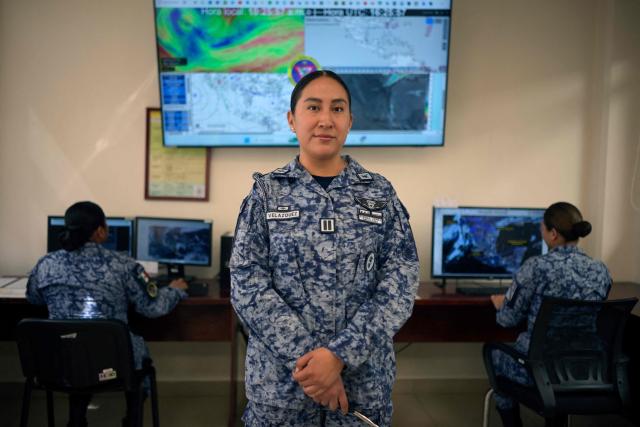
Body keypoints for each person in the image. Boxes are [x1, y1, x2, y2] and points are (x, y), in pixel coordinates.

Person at [230, 70, 420, 426]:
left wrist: (339, 357)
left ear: (350, 121)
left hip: (360, 388)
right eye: (313, 107)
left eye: (337, 109)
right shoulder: (266, 194)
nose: (325, 120)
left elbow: (400, 283)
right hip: (281, 391)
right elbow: (246, 285)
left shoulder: (379, 194)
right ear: (292, 119)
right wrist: (312, 366)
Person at [26, 201, 188, 427]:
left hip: (60, 361)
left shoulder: (46, 264)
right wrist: (175, 290)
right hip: (115, 363)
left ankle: (76, 418)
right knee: (128, 350)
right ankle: (132, 419)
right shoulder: (124, 265)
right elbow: (153, 308)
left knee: (77, 345)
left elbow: (33, 298)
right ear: (101, 231)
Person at [489, 202, 612, 427]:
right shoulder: (601, 270)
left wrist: (501, 304)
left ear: (553, 234)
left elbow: (507, 320)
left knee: (494, 356)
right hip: (585, 369)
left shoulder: (535, 267)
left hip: (538, 369)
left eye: (542, 229)